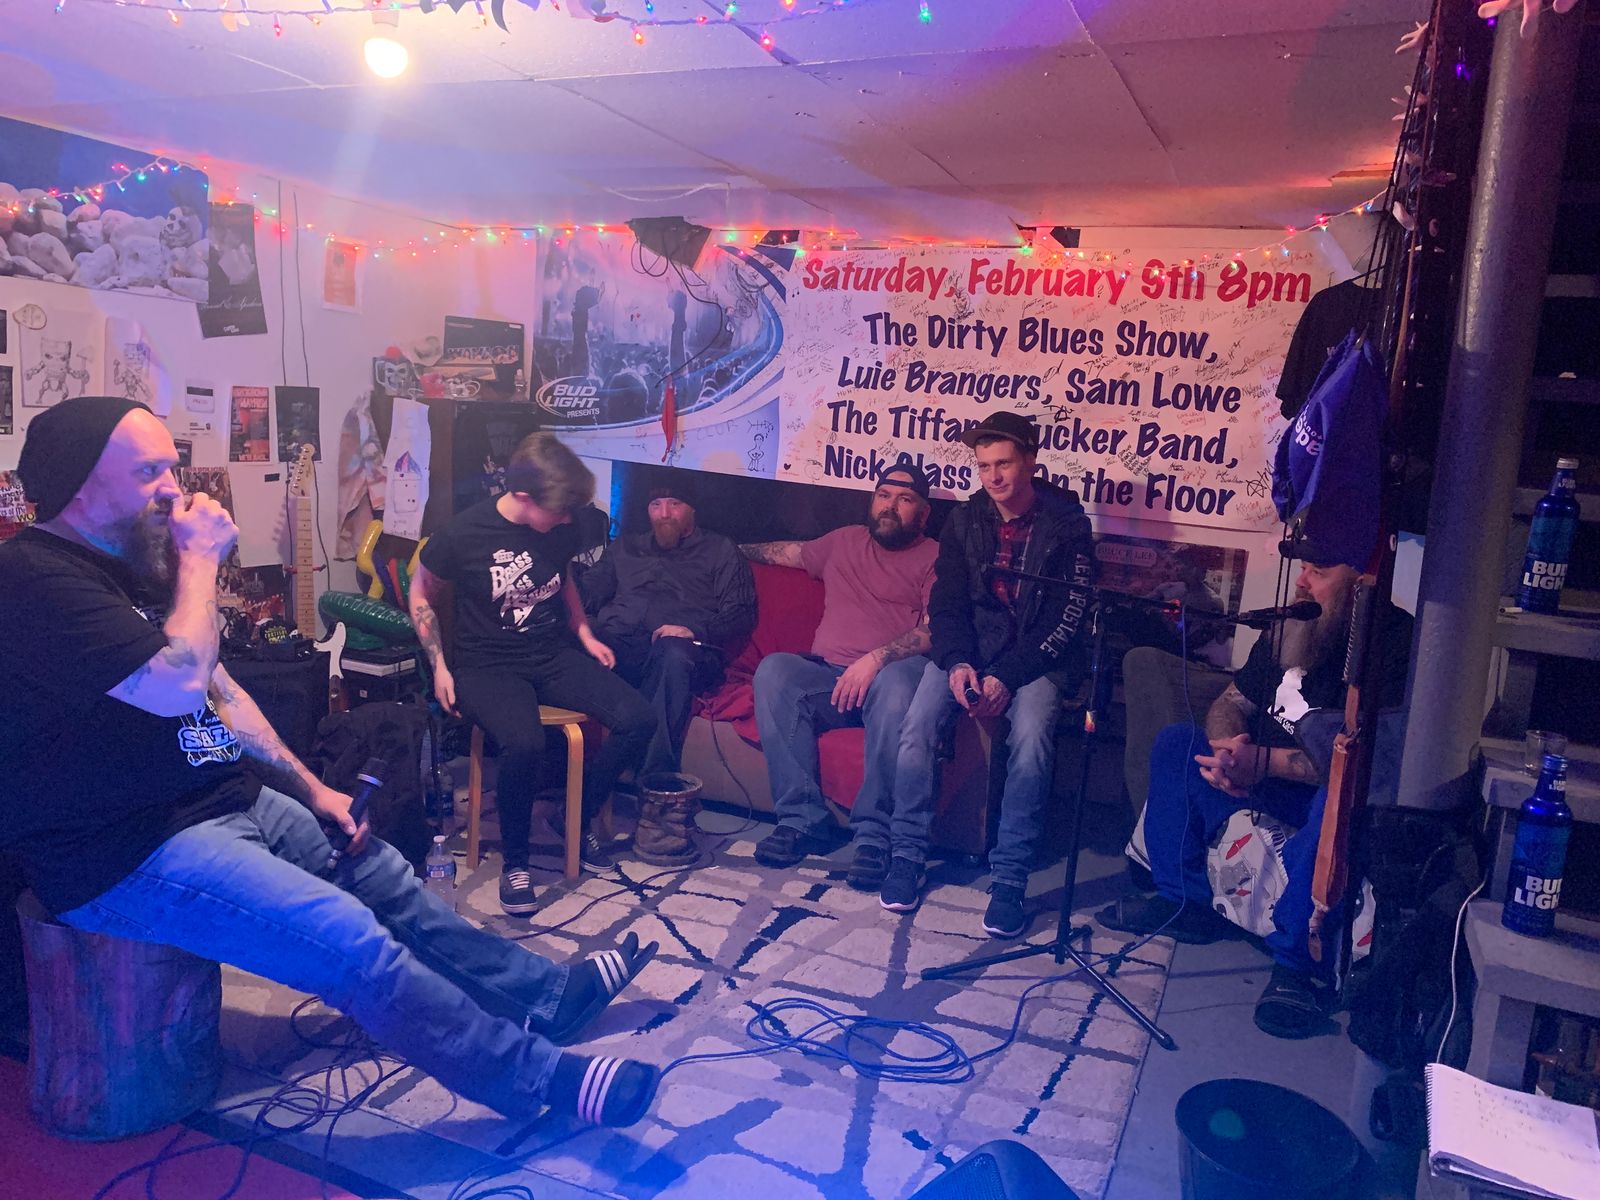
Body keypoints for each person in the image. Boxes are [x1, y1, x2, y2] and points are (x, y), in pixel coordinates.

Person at [0, 397, 662, 1129]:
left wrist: (314, 790)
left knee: (388, 881)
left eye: (172, 468)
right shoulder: (33, 578)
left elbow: (223, 695)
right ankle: (538, 1079)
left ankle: (548, 997)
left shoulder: (130, 565)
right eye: (148, 472)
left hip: (224, 799)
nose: (173, 490)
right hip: (126, 848)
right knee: (351, 945)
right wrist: (200, 561)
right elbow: (176, 683)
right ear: (81, 482)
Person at [1099, 547, 1411, 1039]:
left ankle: (1296, 966)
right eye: (1302, 569)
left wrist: (1261, 762)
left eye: (1319, 571)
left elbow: (1367, 760)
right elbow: (1232, 701)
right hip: (1255, 771)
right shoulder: (1295, 624)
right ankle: (1182, 903)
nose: (1302, 581)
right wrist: (1228, 749)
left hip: (1313, 787)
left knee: (1337, 803)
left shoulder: (1395, 641)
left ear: (1362, 583)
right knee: (1178, 744)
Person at [410, 433, 655, 914]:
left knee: (638, 718)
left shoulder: (562, 524)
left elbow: (562, 579)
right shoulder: (462, 534)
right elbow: (420, 593)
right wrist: (438, 666)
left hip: (549, 653)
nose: (565, 520)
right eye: (558, 512)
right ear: (523, 497)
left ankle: (575, 817)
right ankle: (516, 863)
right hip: (486, 664)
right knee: (525, 744)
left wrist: (584, 632)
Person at [882, 412, 1093, 934]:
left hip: (1036, 658)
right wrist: (957, 662)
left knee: (1032, 738)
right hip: (970, 650)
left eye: (1003, 463)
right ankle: (906, 856)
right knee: (916, 725)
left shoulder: (1068, 524)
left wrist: (1006, 676)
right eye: (983, 466)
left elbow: (1067, 617)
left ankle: (1009, 880)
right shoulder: (964, 519)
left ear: (1030, 462)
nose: (993, 476)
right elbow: (947, 602)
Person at [743, 460, 940, 890]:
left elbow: (936, 628)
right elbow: (789, 553)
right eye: (883, 495)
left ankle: (874, 837)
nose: (890, 506)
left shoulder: (935, 557)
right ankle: (801, 820)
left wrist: (876, 660)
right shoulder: (844, 541)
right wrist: (732, 549)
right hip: (828, 680)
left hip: (890, 678)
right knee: (775, 671)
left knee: (896, 685)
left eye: (904, 499)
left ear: (924, 513)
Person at [581, 479, 756, 779]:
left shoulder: (719, 550)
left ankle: (653, 783)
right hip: (620, 645)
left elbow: (741, 613)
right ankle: (553, 770)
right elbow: (588, 592)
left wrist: (694, 630)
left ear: (692, 509)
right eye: (656, 505)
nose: (664, 513)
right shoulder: (626, 547)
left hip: (681, 652)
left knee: (673, 654)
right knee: (571, 635)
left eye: (675, 504)